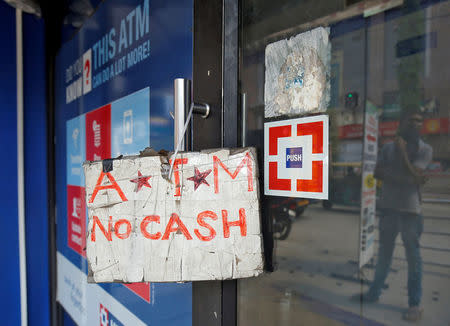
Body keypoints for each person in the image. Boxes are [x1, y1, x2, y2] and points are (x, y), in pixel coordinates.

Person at [352, 112, 432, 322]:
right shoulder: (388, 147)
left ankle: (414, 304)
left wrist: (403, 156)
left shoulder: (425, 149)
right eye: (412, 121)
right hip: (389, 209)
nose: (415, 125)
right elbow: (377, 173)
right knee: (384, 256)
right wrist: (407, 178)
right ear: (403, 124)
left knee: (413, 259)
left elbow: (416, 174)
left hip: (410, 213)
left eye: (419, 122)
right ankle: (373, 293)